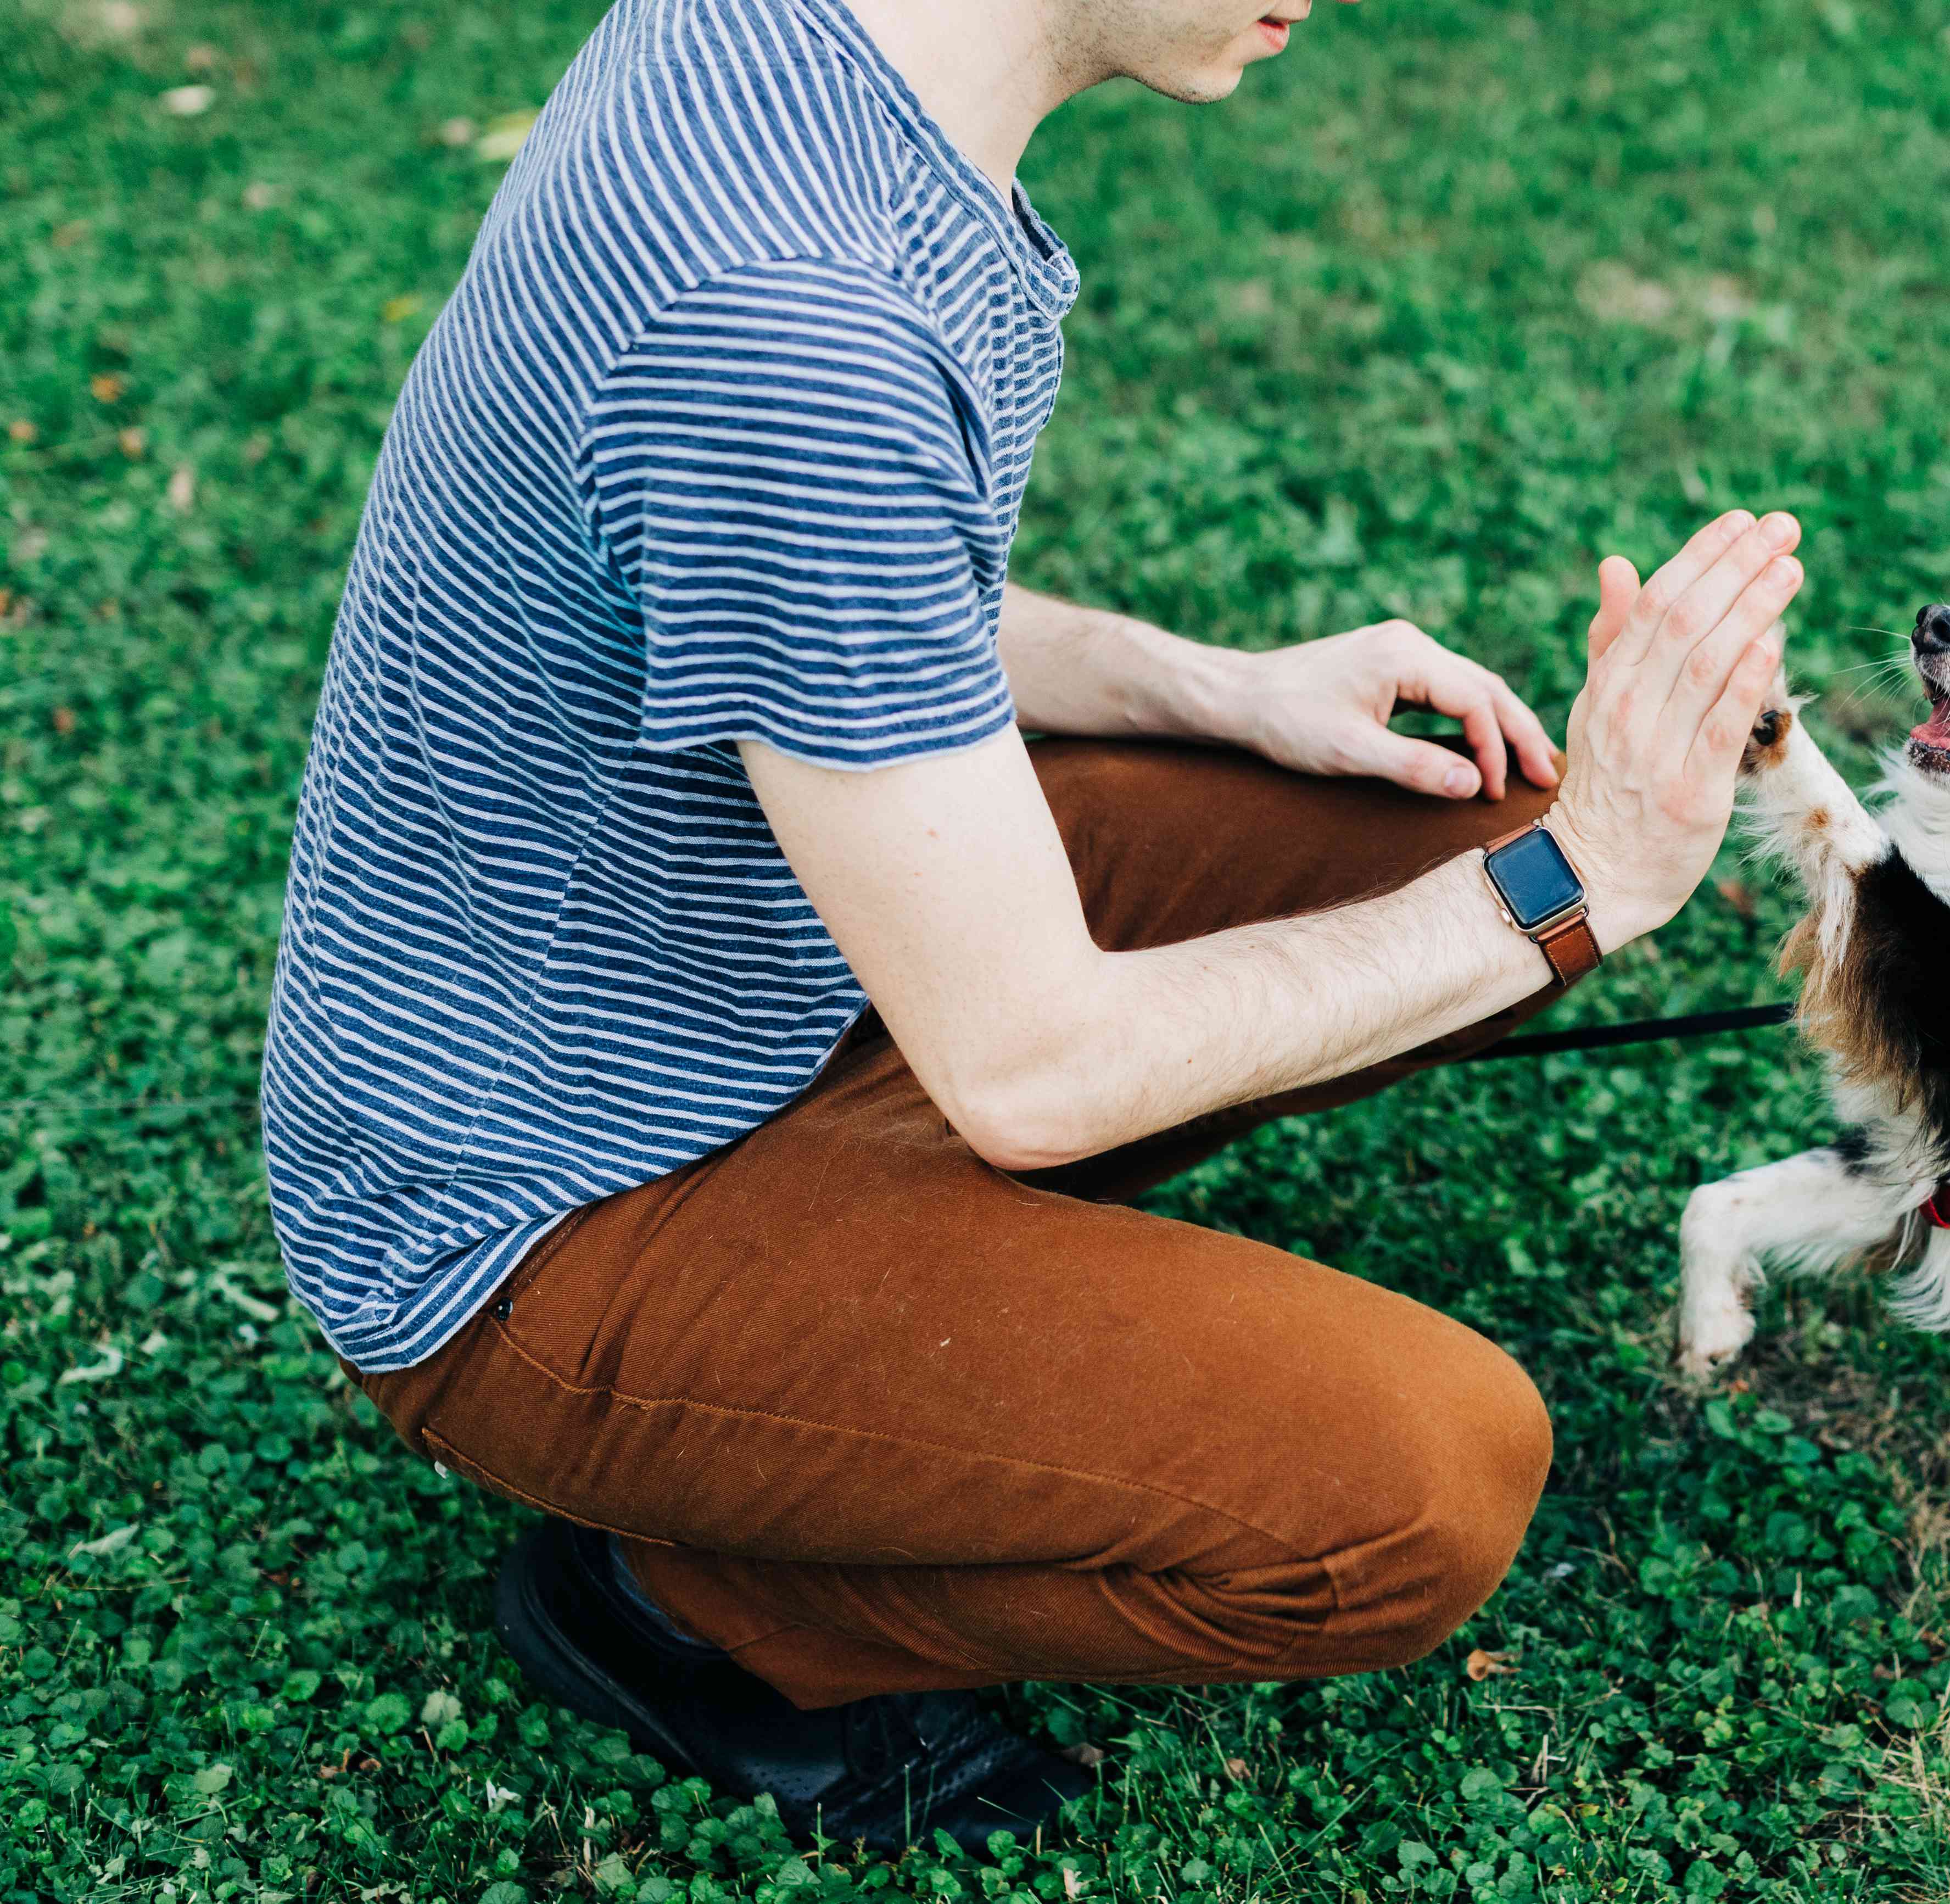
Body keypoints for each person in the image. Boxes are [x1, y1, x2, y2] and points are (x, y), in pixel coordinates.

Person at [262, 0, 1802, 1853]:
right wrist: (1584, 889)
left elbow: (807, 585)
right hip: (541, 1218)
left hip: (744, 949)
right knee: (1420, 1478)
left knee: (1464, 831)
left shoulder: (795, 53)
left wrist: (1198, 685)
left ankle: (887, 1280)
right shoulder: (791, 317)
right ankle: (688, 1607)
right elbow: (1033, 1066)